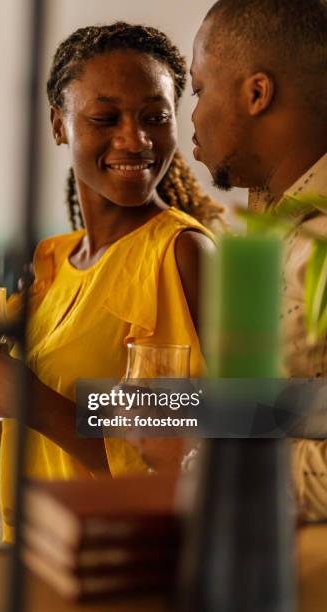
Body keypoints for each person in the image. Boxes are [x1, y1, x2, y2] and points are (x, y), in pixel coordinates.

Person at [0, 23, 221, 541]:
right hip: (34, 551)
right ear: (59, 125)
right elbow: (37, 445)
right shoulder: (52, 261)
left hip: (119, 562)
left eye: (155, 117)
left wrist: (30, 401)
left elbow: (192, 455)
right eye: (105, 118)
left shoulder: (183, 255)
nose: (135, 139)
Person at [191, 0, 327, 520]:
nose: (194, 117)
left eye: (200, 90)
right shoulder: (259, 231)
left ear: (256, 93)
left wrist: (206, 457)